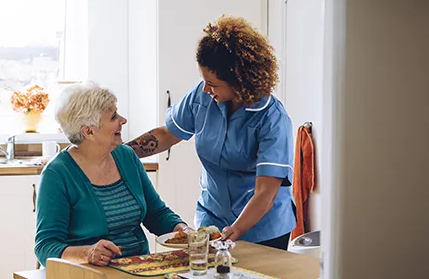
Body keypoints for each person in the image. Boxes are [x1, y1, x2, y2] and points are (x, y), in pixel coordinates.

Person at [126, 15, 296, 250]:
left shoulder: (272, 119)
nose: (206, 88)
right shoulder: (202, 96)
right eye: (203, 80)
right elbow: (167, 135)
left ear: (239, 81)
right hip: (212, 219)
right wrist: (120, 153)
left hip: (262, 228)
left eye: (213, 83)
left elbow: (266, 192)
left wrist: (235, 230)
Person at [34, 81, 188, 267]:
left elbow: (156, 214)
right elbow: (45, 246)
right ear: (89, 131)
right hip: (88, 273)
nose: (123, 120)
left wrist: (184, 231)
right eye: (113, 116)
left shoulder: (126, 156)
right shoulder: (57, 174)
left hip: (137, 268)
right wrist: (88, 253)